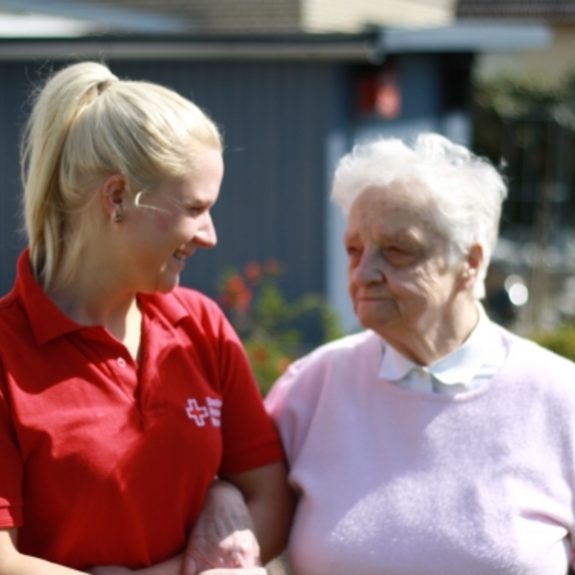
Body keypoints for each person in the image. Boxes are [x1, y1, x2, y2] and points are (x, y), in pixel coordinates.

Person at [0, 61, 293, 575]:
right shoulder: (7, 352)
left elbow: (270, 499)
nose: (210, 235)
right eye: (193, 208)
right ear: (116, 199)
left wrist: (223, 502)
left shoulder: (201, 326)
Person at [266, 133, 575, 574]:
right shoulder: (310, 387)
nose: (364, 272)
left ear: (470, 262)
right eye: (355, 249)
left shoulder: (560, 397)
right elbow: (240, 507)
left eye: (397, 251)